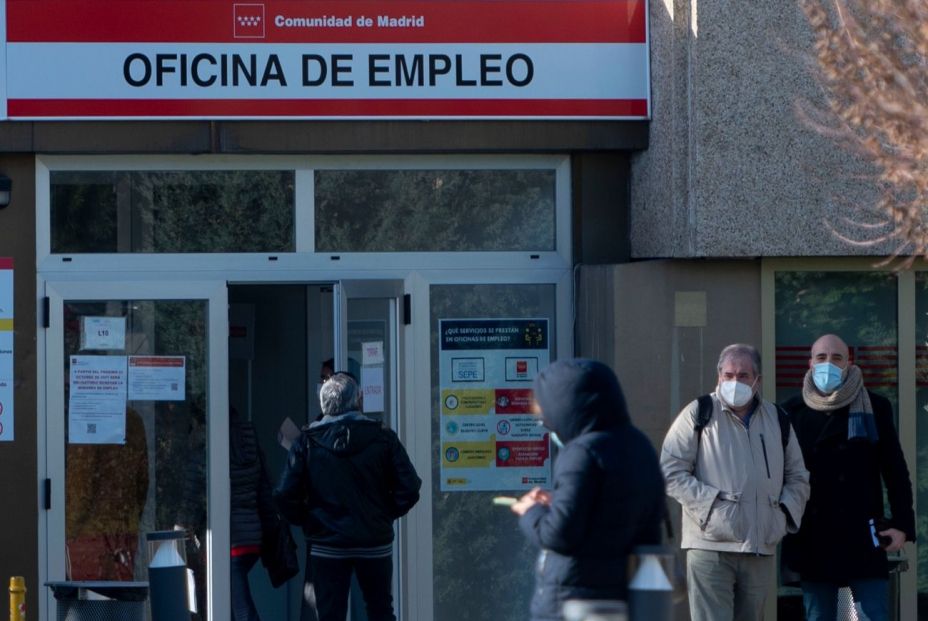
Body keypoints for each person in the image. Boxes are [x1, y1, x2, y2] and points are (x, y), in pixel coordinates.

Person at [661, 343, 810, 621]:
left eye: (743, 375)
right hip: (710, 547)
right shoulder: (699, 412)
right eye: (728, 375)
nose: (734, 381)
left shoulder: (777, 418)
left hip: (760, 547)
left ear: (757, 380)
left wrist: (781, 517)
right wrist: (712, 508)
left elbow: (799, 477)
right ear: (718, 377)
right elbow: (670, 471)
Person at [510, 358, 666, 621]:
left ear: (567, 406)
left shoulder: (581, 452)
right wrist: (558, 501)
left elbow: (560, 534)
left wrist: (531, 511)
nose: (548, 425)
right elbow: (615, 511)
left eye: (547, 417)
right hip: (625, 600)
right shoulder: (639, 445)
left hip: (575, 601)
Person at [780, 334, 915, 621]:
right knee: (818, 616)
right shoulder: (792, 411)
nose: (828, 364)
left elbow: (894, 470)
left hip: (863, 535)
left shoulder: (875, 407)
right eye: (821, 358)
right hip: (813, 536)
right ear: (810, 363)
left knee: (873, 615)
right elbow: (780, 475)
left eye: (837, 358)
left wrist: (902, 524)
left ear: (849, 363)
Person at [274, 372, 421, 621]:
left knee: (330, 614)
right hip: (374, 540)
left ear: (323, 404)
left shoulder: (307, 442)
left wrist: (310, 521)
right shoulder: (383, 437)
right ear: (358, 400)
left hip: (327, 542)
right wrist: (383, 515)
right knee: (381, 610)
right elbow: (409, 487)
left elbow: (284, 494)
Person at [229, 407, 280, 621]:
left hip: (230, 541)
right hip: (252, 537)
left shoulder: (209, 445)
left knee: (241, 609)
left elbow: (193, 493)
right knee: (231, 604)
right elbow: (265, 490)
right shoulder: (250, 446)